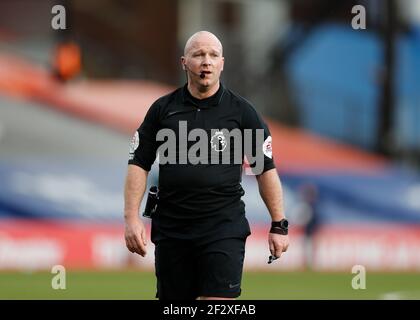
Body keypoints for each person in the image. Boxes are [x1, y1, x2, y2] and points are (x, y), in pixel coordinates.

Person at [123, 31, 289, 300]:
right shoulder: (162, 110)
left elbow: (264, 169)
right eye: (198, 54)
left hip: (222, 226)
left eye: (213, 55)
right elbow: (138, 164)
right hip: (172, 230)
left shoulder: (243, 113)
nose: (206, 61)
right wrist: (131, 218)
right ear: (184, 62)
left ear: (222, 63)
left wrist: (279, 224)